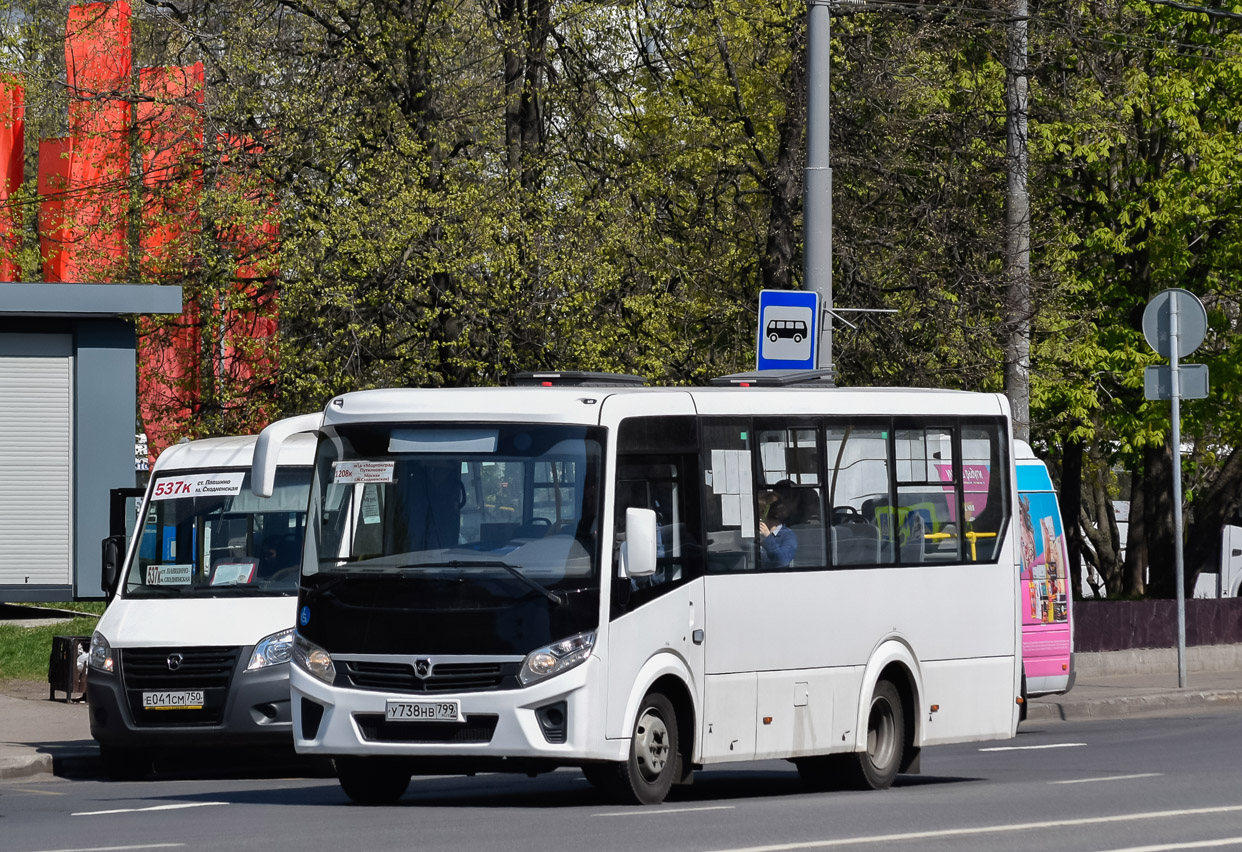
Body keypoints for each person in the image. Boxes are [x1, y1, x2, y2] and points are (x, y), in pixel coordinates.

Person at [759, 494, 798, 569]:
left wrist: (768, 538)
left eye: (759, 512)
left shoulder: (788, 535)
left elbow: (783, 561)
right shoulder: (756, 533)